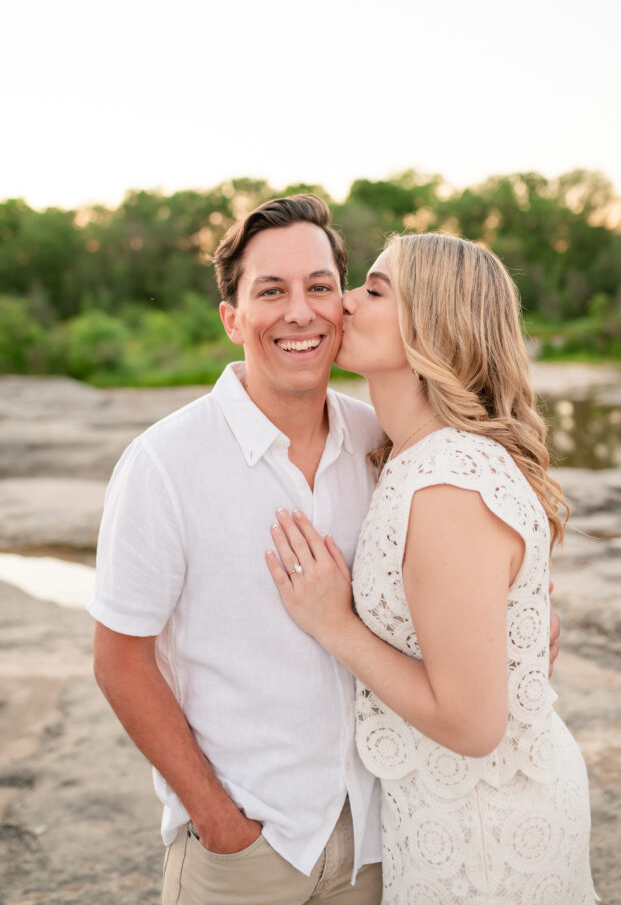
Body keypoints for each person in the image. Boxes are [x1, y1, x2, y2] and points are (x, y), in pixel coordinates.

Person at [89, 195, 560, 905]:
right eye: (269, 291)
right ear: (232, 318)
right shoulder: (165, 463)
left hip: (381, 840)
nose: (301, 311)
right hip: (250, 846)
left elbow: (479, 543)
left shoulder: (386, 445)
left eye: (321, 286)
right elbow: (119, 660)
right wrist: (219, 822)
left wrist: (520, 623)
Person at [266, 232, 597, 904]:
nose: (345, 302)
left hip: (487, 831)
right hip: (446, 811)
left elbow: (473, 725)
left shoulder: (446, 484)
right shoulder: (411, 457)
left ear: (435, 325)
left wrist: (335, 625)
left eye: (375, 290)